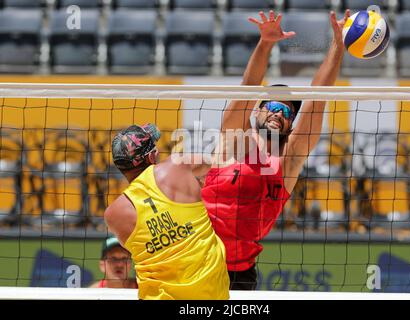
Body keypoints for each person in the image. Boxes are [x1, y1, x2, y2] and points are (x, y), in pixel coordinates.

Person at [201, 10, 350, 290]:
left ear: (290, 125)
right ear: (256, 110)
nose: (278, 112)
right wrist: (266, 43)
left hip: (241, 273)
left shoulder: (289, 161)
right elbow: (248, 87)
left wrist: (338, 46)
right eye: (271, 105)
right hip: (199, 262)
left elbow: (318, 98)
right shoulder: (234, 142)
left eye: (286, 111)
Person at [103, 124, 229, 300]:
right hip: (209, 297)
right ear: (152, 155)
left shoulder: (113, 215)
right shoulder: (179, 165)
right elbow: (214, 161)